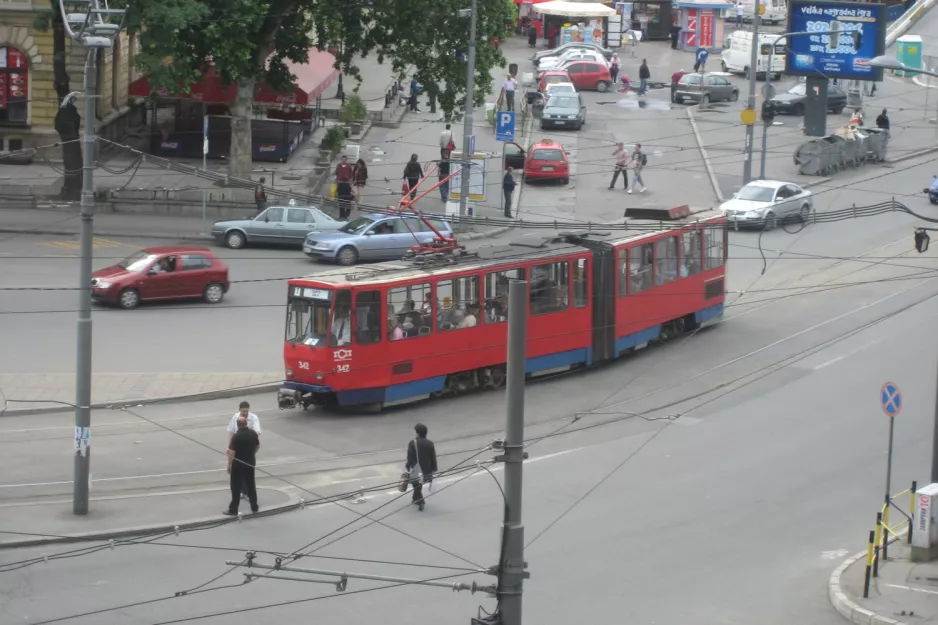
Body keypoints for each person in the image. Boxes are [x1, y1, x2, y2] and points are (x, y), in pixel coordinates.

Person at [224, 416, 260, 515]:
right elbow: (257, 446)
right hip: (250, 463)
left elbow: (232, 453)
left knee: (236, 486)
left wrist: (229, 465)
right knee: (251, 484)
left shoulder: (236, 436)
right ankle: (254, 507)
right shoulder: (253, 433)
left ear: (238, 425)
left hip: (238, 465)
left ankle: (233, 509)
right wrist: (252, 454)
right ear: (246, 423)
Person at [405, 423, 438, 511]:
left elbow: (410, 457)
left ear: (418, 433)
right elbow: (433, 457)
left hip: (416, 470)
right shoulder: (430, 443)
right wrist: (434, 469)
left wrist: (408, 467)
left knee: (416, 484)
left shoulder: (412, 443)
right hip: (427, 470)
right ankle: (415, 498)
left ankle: (421, 501)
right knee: (419, 484)